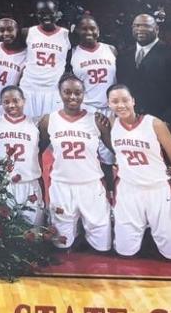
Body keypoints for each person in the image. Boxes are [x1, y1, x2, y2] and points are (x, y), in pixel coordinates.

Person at [114, 13, 171, 248]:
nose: (140, 28)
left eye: (146, 25)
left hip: (167, 128)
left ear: (156, 28)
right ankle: (147, 232)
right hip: (134, 129)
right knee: (141, 180)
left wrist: (170, 122)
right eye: (136, 24)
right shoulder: (124, 56)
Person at [107, 84, 171, 260]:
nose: (121, 105)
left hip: (158, 189)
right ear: (108, 104)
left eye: (125, 100)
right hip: (128, 191)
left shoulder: (154, 123)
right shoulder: (111, 125)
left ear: (133, 101)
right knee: (124, 252)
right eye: (115, 101)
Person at [38, 75, 114, 253]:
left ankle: (84, 234)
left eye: (78, 93)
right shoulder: (49, 120)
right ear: (60, 93)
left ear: (84, 94)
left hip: (91, 185)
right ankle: (76, 233)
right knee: (61, 245)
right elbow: (37, 152)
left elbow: (116, 151)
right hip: (61, 186)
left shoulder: (97, 120)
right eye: (67, 92)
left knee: (103, 247)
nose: (73, 97)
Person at [0, 86, 44, 226]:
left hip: (29, 183)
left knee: (33, 231)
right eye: (6, 102)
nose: (11, 105)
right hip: (4, 184)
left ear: (24, 101)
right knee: (5, 232)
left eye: (16, 100)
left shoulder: (36, 122)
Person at [19, 0, 71, 117]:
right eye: (41, 13)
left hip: (53, 89)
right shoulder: (27, 32)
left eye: (50, 13)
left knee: (50, 128)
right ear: (35, 14)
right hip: (29, 88)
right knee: (28, 126)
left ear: (57, 13)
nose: (46, 17)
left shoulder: (66, 34)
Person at [69, 15, 117, 115]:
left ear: (98, 30)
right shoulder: (72, 53)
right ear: (77, 31)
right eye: (84, 29)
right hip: (87, 107)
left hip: (112, 106)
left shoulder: (111, 49)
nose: (89, 32)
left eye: (92, 28)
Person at [0, 17, 26, 116]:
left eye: (10, 30)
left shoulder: (26, 54)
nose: (6, 34)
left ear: (17, 30)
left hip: (9, 105)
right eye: (1, 30)